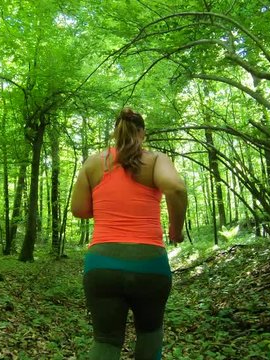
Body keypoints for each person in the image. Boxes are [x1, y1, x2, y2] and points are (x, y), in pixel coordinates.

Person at [71, 107, 188, 360]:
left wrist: (108, 205)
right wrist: (175, 231)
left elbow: (79, 210)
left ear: (115, 133)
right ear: (142, 133)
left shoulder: (93, 162)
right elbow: (176, 189)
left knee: (106, 341)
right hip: (150, 264)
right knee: (149, 334)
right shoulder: (156, 160)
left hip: (101, 264)